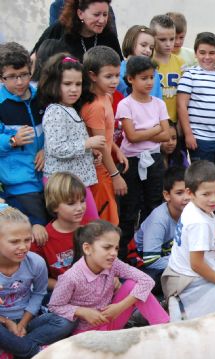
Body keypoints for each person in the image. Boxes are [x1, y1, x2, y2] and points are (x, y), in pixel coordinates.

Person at [48, 220, 169, 333]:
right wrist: (82, 312)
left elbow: (147, 281)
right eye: (107, 247)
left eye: (116, 248)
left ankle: (167, 329)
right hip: (83, 334)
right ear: (87, 248)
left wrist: (119, 308)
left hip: (109, 322)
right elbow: (55, 306)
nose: (113, 253)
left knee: (133, 284)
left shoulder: (114, 263)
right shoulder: (71, 277)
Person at [161, 161, 215, 320]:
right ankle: (178, 307)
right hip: (189, 279)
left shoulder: (195, 206)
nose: (213, 199)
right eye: (206, 194)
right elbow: (197, 264)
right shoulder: (198, 222)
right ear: (190, 193)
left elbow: (213, 228)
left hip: (179, 269)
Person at [0, 205, 75, 359]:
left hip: (28, 319)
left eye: (27, 240)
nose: (23, 246)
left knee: (67, 320)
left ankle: (13, 349)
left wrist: (23, 324)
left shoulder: (35, 262)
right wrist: (7, 323)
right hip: (2, 323)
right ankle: (31, 350)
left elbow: (39, 293)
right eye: (14, 241)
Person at [115, 55, 171, 259]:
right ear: (130, 79)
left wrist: (146, 133)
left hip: (154, 159)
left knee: (154, 205)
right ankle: (123, 253)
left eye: (151, 77)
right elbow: (131, 136)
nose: (149, 82)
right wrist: (154, 129)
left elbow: (166, 135)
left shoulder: (158, 103)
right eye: (143, 78)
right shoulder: (125, 104)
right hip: (132, 161)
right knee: (130, 209)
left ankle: (150, 250)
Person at [38, 53, 100, 222]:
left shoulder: (69, 108)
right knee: (91, 227)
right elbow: (56, 148)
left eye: (78, 84)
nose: (74, 89)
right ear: (54, 84)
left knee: (85, 228)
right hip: (64, 184)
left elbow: (71, 141)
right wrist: (87, 143)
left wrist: (90, 152)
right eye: (67, 84)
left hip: (74, 182)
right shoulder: (55, 111)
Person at [0, 43, 48, 245]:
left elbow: (52, 129)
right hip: (19, 184)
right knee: (37, 234)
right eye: (12, 77)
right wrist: (11, 140)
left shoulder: (41, 95)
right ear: (2, 78)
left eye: (24, 74)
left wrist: (47, 150)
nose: (20, 82)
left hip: (47, 177)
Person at [80, 45, 129, 225]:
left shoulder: (107, 96)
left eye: (117, 75)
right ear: (92, 75)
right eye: (108, 76)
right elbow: (99, 144)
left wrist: (117, 149)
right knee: (106, 223)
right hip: (99, 172)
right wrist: (115, 175)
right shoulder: (95, 106)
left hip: (106, 165)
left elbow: (106, 135)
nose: (114, 81)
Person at [177, 32, 215, 181]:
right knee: (203, 179)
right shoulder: (189, 75)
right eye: (202, 52)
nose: (207, 57)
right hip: (200, 138)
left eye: (212, 53)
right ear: (195, 53)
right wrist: (188, 134)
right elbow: (182, 106)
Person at [31, 172, 87, 291]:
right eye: (71, 203)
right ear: (54, 205)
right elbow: (36, 279)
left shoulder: (90, 230)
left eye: (82, 201)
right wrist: (65, 287)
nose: (79, 208)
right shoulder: (42, 238)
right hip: (60, 295)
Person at [133, 167, 188, 287]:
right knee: (152, 281)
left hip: (173, 256)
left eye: (189, 192)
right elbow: (151, 261)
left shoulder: (192, 212)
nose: (186, 197)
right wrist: (188, 261)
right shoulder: (159, 219)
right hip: (144, 259)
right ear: (167, 195)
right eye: (179, 193)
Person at [33, 0, 123, 62]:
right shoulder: (59, 29)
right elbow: (34, 57)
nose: (102, 20)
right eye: (96, 15)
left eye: (105, 14)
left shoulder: (109, 37)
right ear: (80, 14)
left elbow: (120, 67)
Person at [150, 14, 184, 124]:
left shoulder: (181, 63)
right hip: (153, 124)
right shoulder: (146, 63)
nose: (169, 44)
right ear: (152, 38)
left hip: (175, 124)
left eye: (172, 39)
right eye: (162, 39)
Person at [117, 25, 162, 99]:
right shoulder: (118, 71)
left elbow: (157, 98)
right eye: (143, 45)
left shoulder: (153, 72)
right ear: (130, 42)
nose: (148, 50)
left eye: (151, 48)